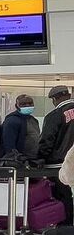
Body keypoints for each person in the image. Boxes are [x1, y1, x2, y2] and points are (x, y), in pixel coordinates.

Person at [40, 86, 74, 217]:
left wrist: (40, 158)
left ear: (54, 99)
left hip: (58, 166)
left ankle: (66, 230)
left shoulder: (55, 115)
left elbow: (46, 141)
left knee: (63, 200)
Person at [2, 95, 41, 160]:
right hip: (20, 161)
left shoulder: (33, 120)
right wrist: (18, 157)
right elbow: (9, 144)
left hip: (33, 159)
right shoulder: (12, 121)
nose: (28, 105)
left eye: (30, 103)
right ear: (17, 106)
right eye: (23, 104)